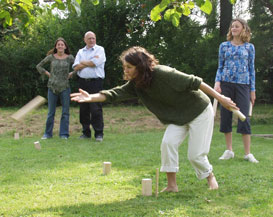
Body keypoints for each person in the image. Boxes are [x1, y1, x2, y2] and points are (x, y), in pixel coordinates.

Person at [71, 46, 238, 192]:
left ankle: (210, 177)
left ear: (140, 66)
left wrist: (221, 98)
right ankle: (172, 186)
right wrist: (90, 97)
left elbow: (196, 82)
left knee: (195, 155)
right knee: (168, 143)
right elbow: (115, 93)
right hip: (177, 116)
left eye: (129, 67)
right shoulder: (136, 84)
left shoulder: (163, 73)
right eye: (125, 67)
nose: (126, 71)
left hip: (198, 110)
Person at [214, 18, 258, 163]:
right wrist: (217, 82)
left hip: (243, 85)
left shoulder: (249, 47)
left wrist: (252, 90)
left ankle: (247, 153)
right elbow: (220, 66)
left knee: (244, 116)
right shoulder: (224, 46)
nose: (233, 28)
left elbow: (251, 69)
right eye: (232, 26)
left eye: (236, 26)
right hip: (226, 83)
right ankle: (229, 150)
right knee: (226, 116)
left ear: (243, 29)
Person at [36, 37, 75, 139]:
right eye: (58, 44)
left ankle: (63, 134)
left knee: (65, 112)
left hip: (65, 87)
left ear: (65, 46)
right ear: (56, 47)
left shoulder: (70, 57)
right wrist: (47, 73)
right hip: (52, 87)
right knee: (50, 112)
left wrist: (72, 73)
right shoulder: (51, 57)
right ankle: (47, 134)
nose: (60, 46)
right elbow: (39, 66)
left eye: (62, 44)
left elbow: (78, 67)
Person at [72, 31, 106, 142]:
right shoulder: (80, 51)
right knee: (84, 109)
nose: (91, 40)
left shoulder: (100, 50)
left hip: (96, 83)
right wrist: (89, 62)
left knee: (96, 108)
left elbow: (95, 63)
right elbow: (76, 67)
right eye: (89, 38)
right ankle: (86, 133)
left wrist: (83, 63)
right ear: (85, 40)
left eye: (93, 38)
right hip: (83, 83)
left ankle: (99, 134)